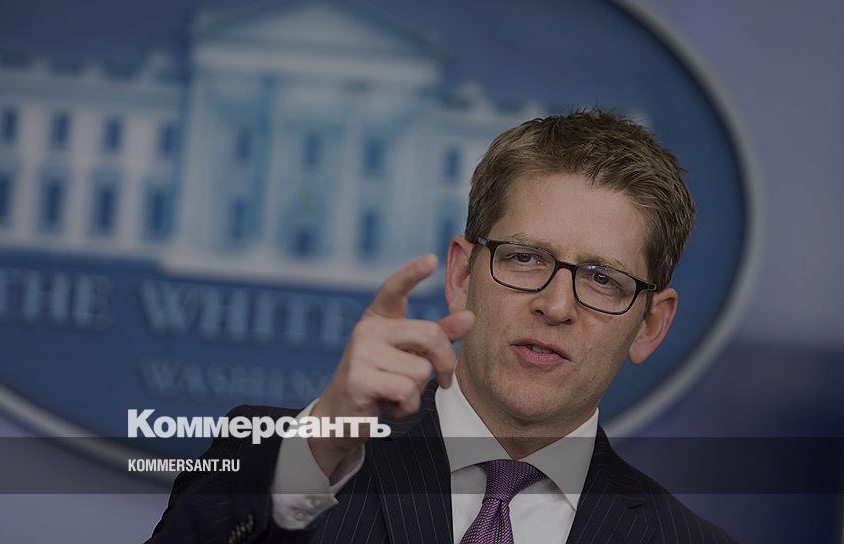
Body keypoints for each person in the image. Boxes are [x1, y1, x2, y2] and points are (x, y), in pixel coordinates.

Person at [147, 109, 736, 543]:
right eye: (525, 258)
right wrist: (315, 456)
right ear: (461, 274)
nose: (557, 305)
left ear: (650, 325)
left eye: (603, 279)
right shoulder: (298, 462)